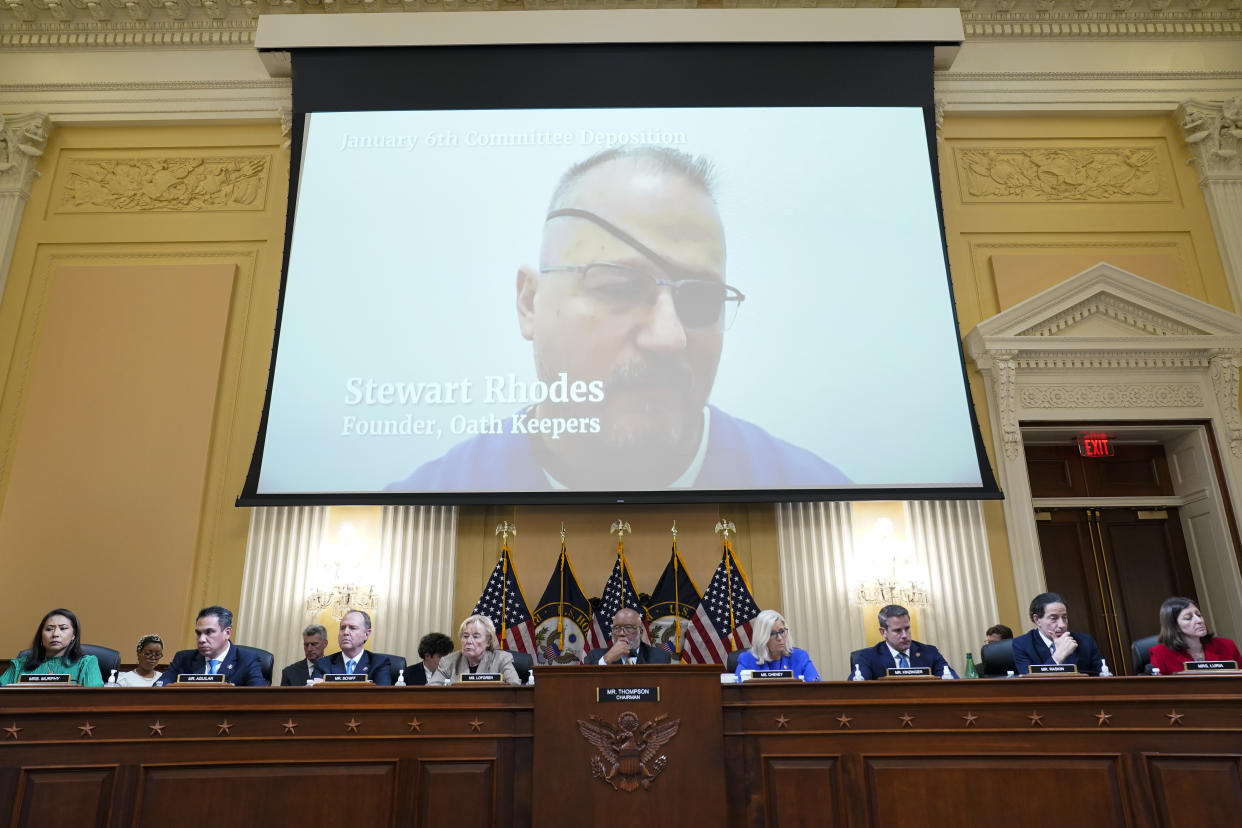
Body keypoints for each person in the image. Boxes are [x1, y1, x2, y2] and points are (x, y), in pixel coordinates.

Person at [387, 145, 850, 492]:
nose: (670, 338)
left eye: (702, 299)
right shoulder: (424, 508)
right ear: (530, 303)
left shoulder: (819, 502)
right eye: (618, 287)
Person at [158, 605, 269, 686]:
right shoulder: (183, 659)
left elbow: (258, 698)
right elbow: (158, 689)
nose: (201, 639)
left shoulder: (247, 660)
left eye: (209, 632)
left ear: (227, 633)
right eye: (198, 633)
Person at [849, 604, 957, 680]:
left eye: (907, 628)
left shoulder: (929, 652)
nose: (905, 635)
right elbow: (856, 690)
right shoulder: (869, 657)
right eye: (897, 631)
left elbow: (951, 681)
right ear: (883, 632)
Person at [1, 608, 103, 686]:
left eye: (63, 628)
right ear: (41, 635)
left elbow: (94, 701)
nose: (55, 634)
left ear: (73, 635)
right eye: (49, 629)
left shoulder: (86, 664)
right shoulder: (19, 665)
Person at [1012, 592, 1104, 676]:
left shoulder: (1085, 642)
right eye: (1053, 618)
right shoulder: (1022, 644)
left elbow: (1102, 676)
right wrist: (1058, 655)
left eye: (1064, 617)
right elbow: (1030, 683)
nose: (1062, 625)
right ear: (1037, 620)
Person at [1149, 596, 1242, 674]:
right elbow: (1159, 689)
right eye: (1188, 618)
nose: (1199, 621)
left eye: (1199, 615)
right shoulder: (1160, 653)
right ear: (1175, 626)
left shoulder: (1227, 646)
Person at [430, 614, 521, 685]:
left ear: (488, 642)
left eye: (476, 637)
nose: (469, 641)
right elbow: (431, 691)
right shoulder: (448, 661)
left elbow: (514, 687)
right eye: (465, 636)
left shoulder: (501, 659)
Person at [734, 609, 819, 681]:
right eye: (772, 634)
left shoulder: (800, 657)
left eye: (782, 631)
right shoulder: (747, 660)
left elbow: (817, 689)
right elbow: (737, 693)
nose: (779, 638)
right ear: (762, 637)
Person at [314, 610, 393, 685]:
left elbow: (382, 696)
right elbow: (316, 696)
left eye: (352, 628)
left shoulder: (379, 663)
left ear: (366, 634)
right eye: (342, 628)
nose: (345, 632)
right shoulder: (323, 664)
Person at [585, 607, 673, 665]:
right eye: (617, 628)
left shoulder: (660, 657)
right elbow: (588, 684)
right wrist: (606, 660)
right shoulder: (594, 657)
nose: (621, 633)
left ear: (641, 632)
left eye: (628, 627)